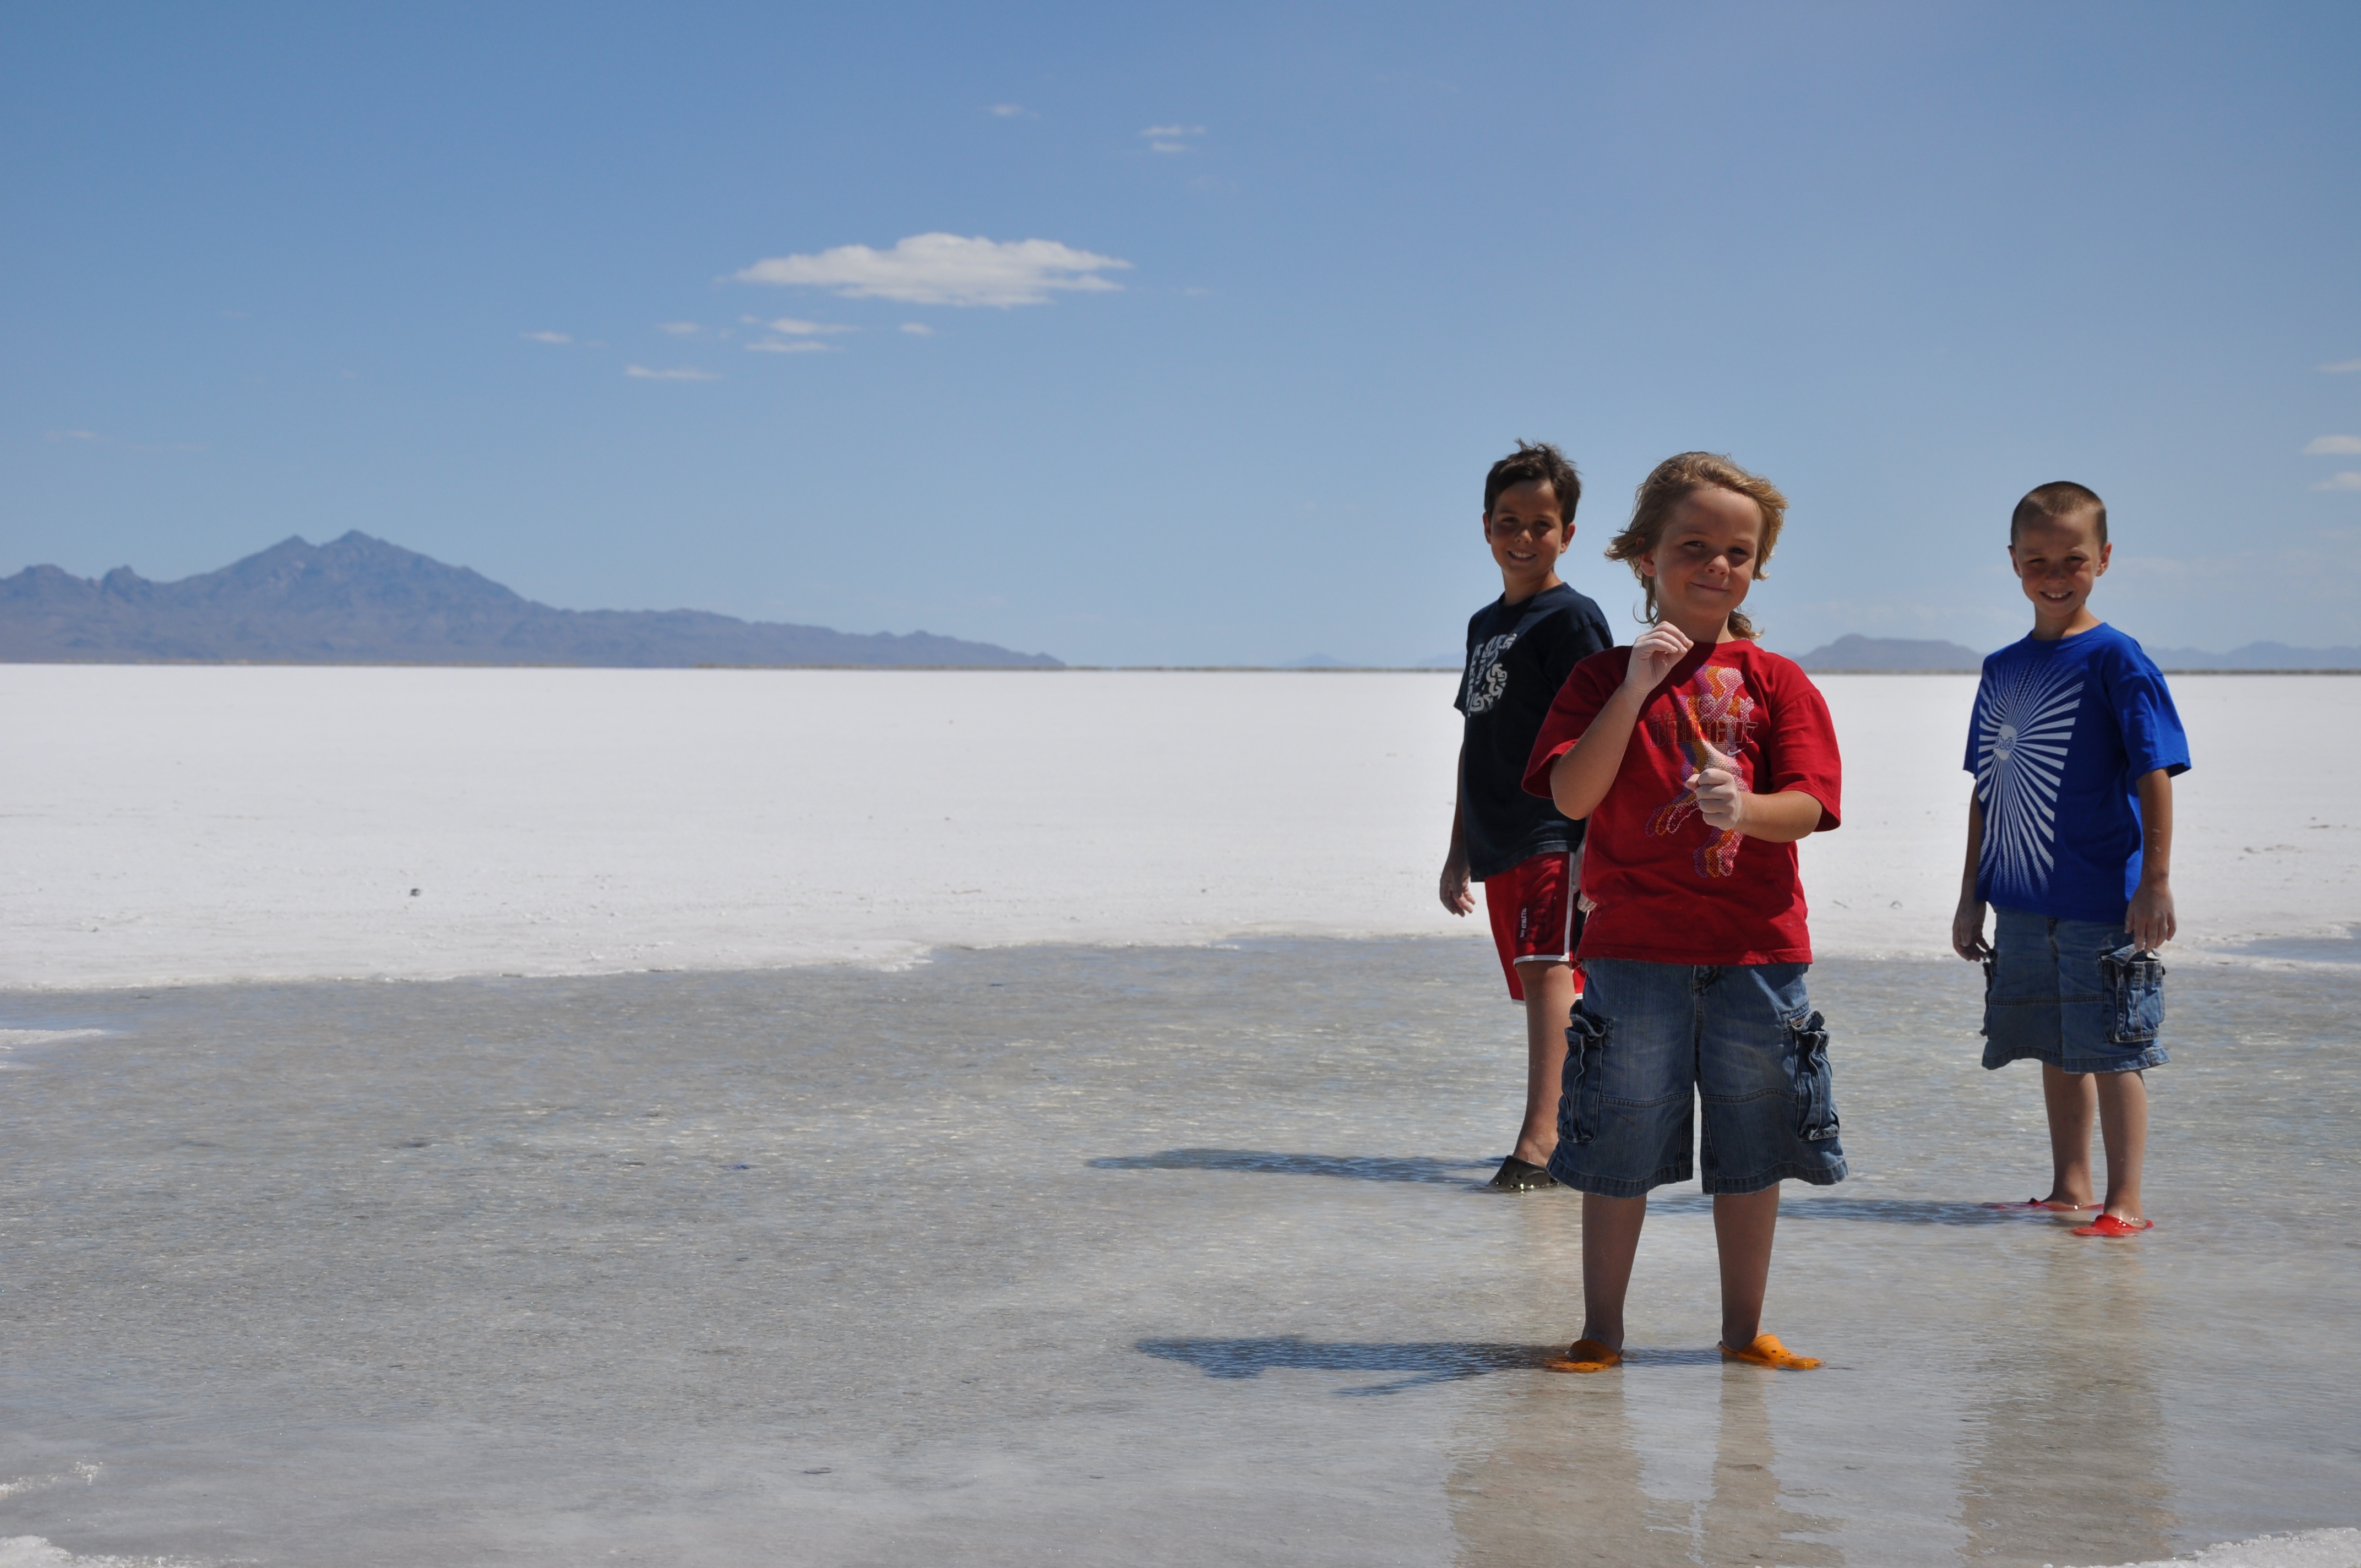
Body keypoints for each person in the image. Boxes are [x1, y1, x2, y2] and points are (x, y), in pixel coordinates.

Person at [1521, 451, 1845, 1373]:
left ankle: (1744, 1331)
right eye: (1694, 546)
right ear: (1645, 559)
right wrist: (1635, 688)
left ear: (1757, 566)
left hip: (1758, 954)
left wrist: (1744, 808)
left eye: (1738, 552)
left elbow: (1810, 808)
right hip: (1634, 955)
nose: (1717, 566)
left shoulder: (1779, 681)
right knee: (1617, 1140)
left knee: (1754, 1146)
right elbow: (1573, 796)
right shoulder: (1599, 680)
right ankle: (1603, 1330)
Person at [1950, 481, 2188, 1239]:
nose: (2055, 576)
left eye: (2073, 560)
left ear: (2104, 559)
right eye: (2038, 561)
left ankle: (2126, 1202)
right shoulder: (2002, 667)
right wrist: (1971, 895)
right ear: (2014, 562)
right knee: (2057, 1047)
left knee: (2115, 1050)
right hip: (2022, 900)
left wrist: (2155, 883)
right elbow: (1985, 789)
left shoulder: (2118, 658)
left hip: (2102, 899)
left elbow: (2155, 772)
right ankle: (2069, 1187)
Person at [1440, 442, 1614, 1191]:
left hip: (1555, 828)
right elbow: (1474, 738)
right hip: (1499, 835)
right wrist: (1458, 851)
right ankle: (1576, 1128)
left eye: (1541, 524)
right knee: (1536, 980)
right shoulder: (1484, 624)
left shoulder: (1573, 618)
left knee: (1551, 973)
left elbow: (1606, 731)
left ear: (1566, 534)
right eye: (1508, 521)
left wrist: (1599, 846)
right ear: (1486, 527)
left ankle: (1541, 1144)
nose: (1523, 537)